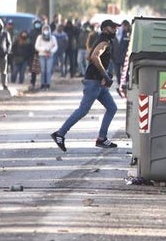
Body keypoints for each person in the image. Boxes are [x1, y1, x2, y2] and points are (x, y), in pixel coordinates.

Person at [50, 19, 122, 151]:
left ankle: (102, 138)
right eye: (114, 28)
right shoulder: (104, 41)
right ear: (106, 28)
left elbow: (89, 57)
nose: (116, 30)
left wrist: (104, 75)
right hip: (93, 82)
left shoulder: (102, 40)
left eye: (117, 28)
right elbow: (94, 57)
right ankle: (60, 134)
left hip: (98, 81)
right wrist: (105, 75)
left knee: (112, 108)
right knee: (83, 110)